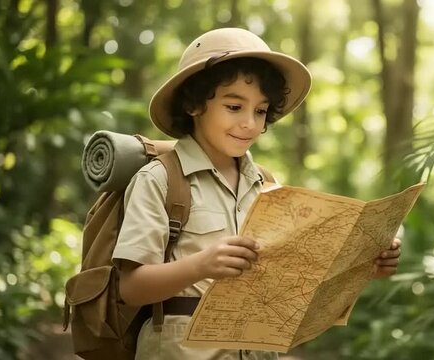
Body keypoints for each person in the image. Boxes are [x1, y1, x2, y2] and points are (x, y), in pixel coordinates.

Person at [112, 27, 403, 360]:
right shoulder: (161, 179)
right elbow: (130, 288)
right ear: (194, 104)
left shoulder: (266, 184)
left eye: (261, 111)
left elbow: (295, 278)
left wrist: (364, 264)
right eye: (234, 107)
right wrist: (201, 265)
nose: (250, 124)